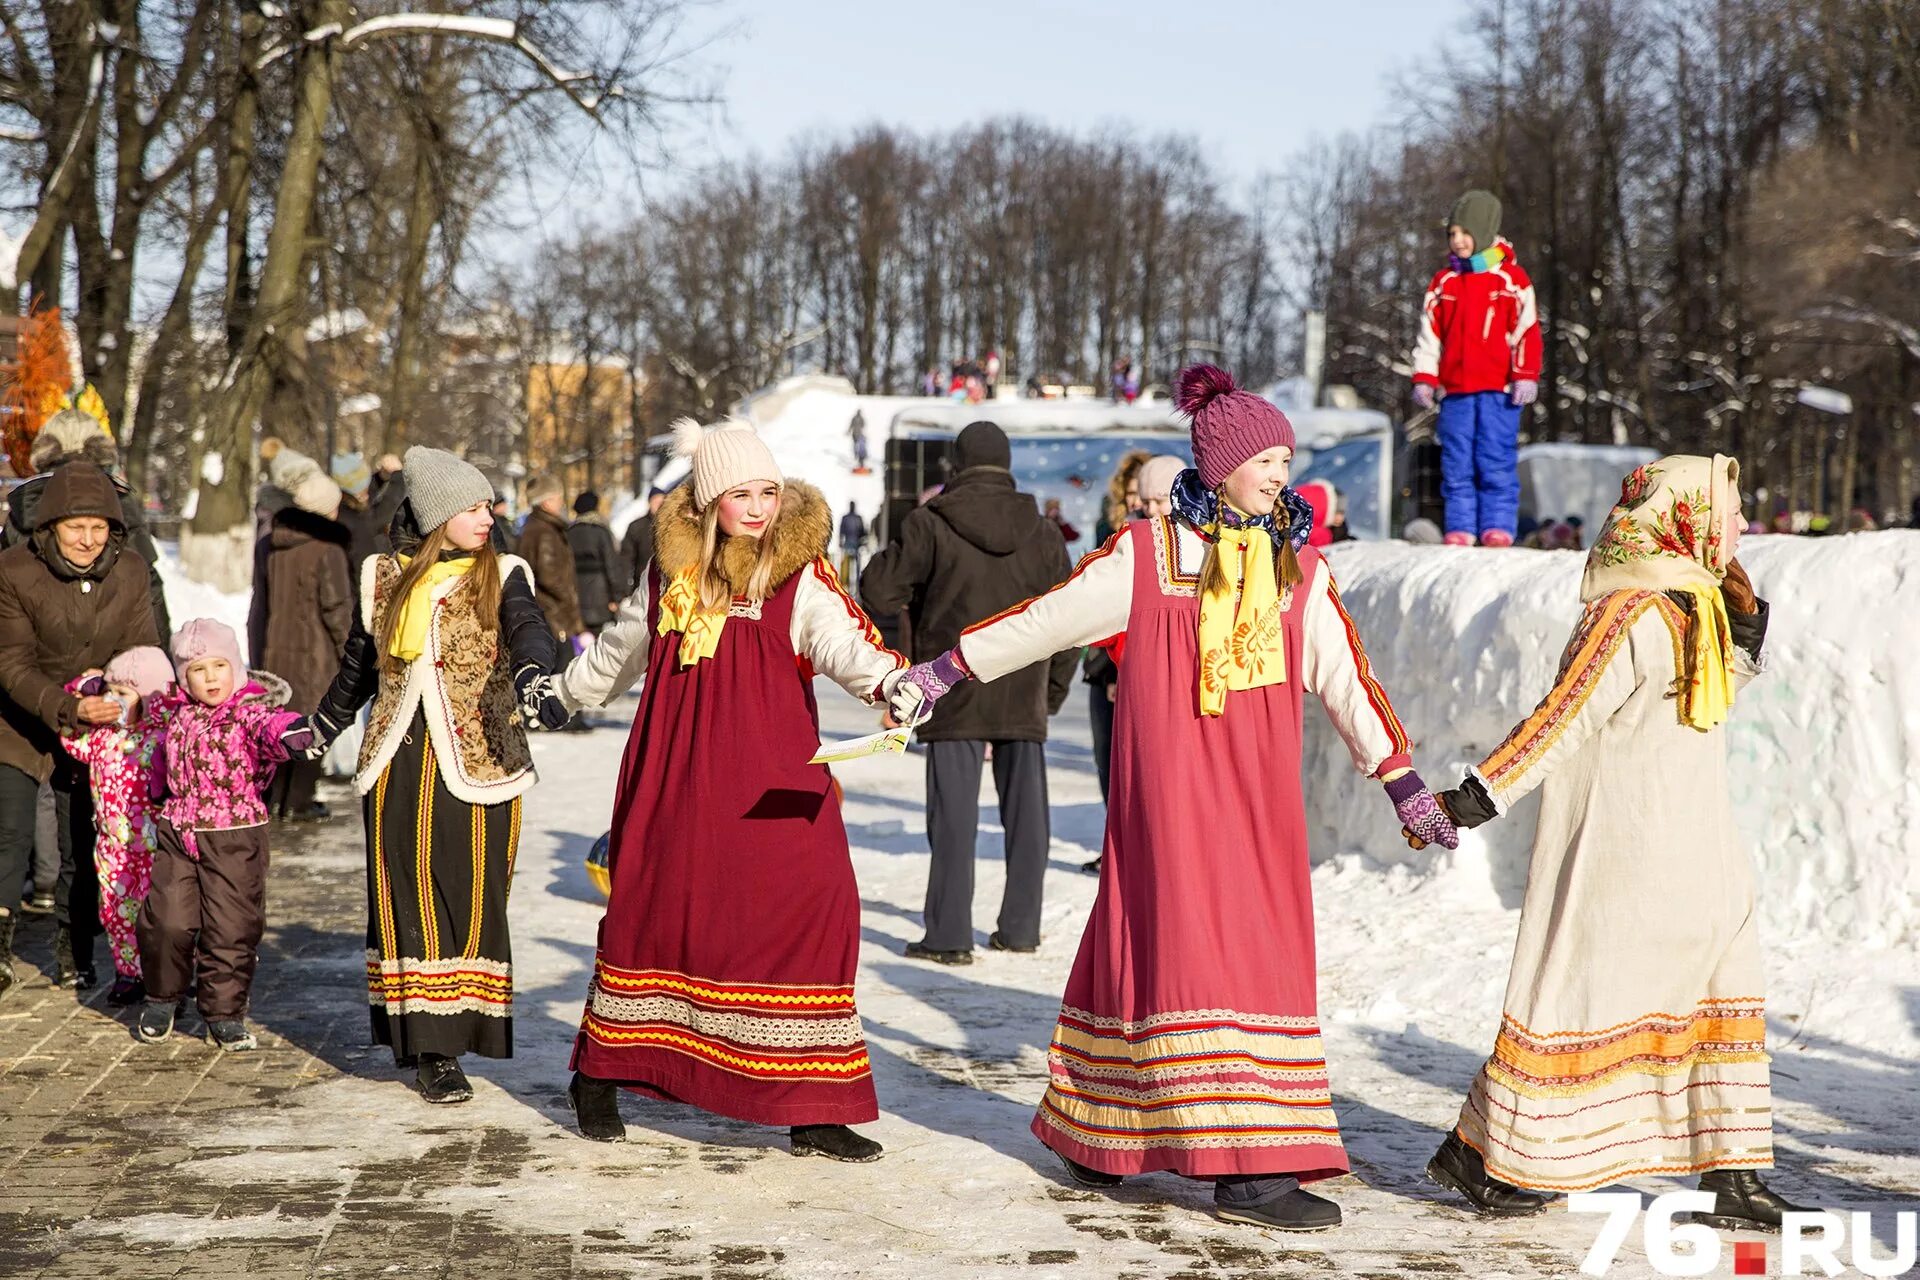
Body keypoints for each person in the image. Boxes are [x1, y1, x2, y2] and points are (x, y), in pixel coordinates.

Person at [885, 366, 1458, 1231]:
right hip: (1169, 803)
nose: (1278, 473)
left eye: (1284, 459)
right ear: (1219, 464)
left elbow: (1347, 682)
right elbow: (1045, 619)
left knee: (1187, 954)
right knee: (1180, 951)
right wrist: (950, 668)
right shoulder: (1145, 560)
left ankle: (1101, 1132)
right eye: (1263, 458)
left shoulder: (1298, 574)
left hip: (1256, 812)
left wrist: (1402, 782)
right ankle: (1246, 1170)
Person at [1416, 455, 1810, 1230]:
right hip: (1624, 845)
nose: (1739, 525)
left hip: (1697, 842)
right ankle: (1487, 1152)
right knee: (1583, 994)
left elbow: (1705, 695)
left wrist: (1746, 631)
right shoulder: (1626, 612)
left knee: (1724, 992)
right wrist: (1477, 794)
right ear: (1683, 517)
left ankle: (1734, 1172)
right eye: (1727, 511)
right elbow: (1564, 716)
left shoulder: (1696, 599)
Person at [540, 417, 907, 1158]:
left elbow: (840, 640)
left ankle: (812, 1102)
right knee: (656, 917)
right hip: (677, 778)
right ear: (709, 500)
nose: (759, 506)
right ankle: (602, 1073)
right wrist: (562, 694)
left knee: (815, 906)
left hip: (775, 780)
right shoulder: (668, 573)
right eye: (742, 492)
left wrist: (889, 682)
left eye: (769, 491)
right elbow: (619, 650)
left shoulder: (798, 572)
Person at [304, 446, 558, 1103]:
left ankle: (460, 1027)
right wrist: (321, 727)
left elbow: (528, 626)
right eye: (473, 506)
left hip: (481, 758)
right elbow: (360, 666)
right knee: (407, 898)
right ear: (437, 514)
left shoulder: (504, 570)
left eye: (488, 503)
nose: (488, 514)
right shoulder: (385, 577)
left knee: (473, 894)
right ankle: (431, 1050)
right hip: (398, 756)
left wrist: (534, 672)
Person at [859, 422, 1076, 963]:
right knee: (1028, 818)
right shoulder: (1045, 533)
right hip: (1021, 692)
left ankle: (949, 936)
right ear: (1007, 464)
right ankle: (1021, 928)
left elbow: (880, 589)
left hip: (951, 686)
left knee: (952, 819)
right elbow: (1072, 619)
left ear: (956, 466)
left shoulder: (931, 523)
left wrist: (901, 537)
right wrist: (1049, 693)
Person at [0, 462, 162, 995]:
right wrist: (70, 707)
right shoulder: (14, 571)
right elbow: (11, 664)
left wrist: (124, 695)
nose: (88, 540)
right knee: (10, 834)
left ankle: (78, 948)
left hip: (97, 726)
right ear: (50, 528)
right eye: (76, 527)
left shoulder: (132, 571)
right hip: (19, 718)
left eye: (99, 527)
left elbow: (141, 650)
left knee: (87, 838)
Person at [137, 620, 314, 1050]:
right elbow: (161, 762)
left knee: (231, 927)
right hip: (179, 831)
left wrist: (293, 733)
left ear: (235, 667)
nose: (211, 677)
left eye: (219, 665)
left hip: (235, 835)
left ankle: (223, 1012)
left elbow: (270, 728)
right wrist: (156, 790)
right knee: (167, 920)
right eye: (199, 669)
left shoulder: (247, 712)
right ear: (184, 678)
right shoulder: (179, 715)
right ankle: (163, 998)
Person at [1410, 189, 1543, 548]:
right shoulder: (1444, 283)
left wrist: (1525, 374)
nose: (1457, 241)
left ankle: (1497, 525)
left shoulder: (1511, 281)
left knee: (1495, 458)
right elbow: (1429, 337)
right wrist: (1425, 377)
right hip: (1455, 393)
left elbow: (1526, 331)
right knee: (1456, 462)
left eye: (1464, 233)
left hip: (1499, 392)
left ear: (1483, 232)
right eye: (1452, 234)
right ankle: (1461, 526)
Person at [60, 646, 172, 1007]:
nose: (114, 700)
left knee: (163, 914)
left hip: (157, 846)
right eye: (109, 692)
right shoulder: (99, 737)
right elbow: (68, 735)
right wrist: (86, 687)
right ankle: (129, 972)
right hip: (113, 847)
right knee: (116, 912)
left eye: (123, 694)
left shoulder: (161, 736)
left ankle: (170, 974)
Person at [249, 470, 352, 821]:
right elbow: (337, 609)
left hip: (276, 653)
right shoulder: (328, 551)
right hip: (316, 655)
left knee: (279, 725)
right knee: (315, 726)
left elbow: (259, 606)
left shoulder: (271, 544)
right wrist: (351, 654)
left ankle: (275, 798)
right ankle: (300, 800)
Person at [518, 475, 586, 649]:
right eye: (558, 498)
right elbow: (549, 575)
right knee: (560, 670)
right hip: (553, 615)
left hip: (549, 613)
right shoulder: (544, 531)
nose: (562, 503)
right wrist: (569, 596)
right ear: (546, 502)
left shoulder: (538, 527)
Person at [567, 490, 629, 636]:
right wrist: (617, 596)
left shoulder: (569, 532)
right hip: (600, 594)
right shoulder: (601, 531)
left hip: (576, 595)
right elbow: (612, 565)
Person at [331, 452, 384, 574]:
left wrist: (380, 478)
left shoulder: (338, 510)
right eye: (363, 489)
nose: (367, 492)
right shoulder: (354, 524)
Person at [620, 489, 666, 592]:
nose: (659, 505)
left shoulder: (672, 526)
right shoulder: (637, 527)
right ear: (649, 502)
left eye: (662, 502)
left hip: (667, 584)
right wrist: (625, 586)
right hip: (642, 584)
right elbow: (626, 558)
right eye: (656, 502)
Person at [837, 502, 867, 587]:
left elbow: (862, 531)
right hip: (852, 543)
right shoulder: (856, 518)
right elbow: (862, 531)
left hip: (852, 544)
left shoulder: (849, 518)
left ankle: (852, 582)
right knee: (849, 565)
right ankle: (850, 582)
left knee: (852, 565)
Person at [848, 409, 870, 473]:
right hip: (857, 434)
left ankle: (859, 457)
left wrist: (849, 431)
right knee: (859, 446)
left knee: (858, 446)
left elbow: (852, 425)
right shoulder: (860, 418)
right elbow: (863, 425)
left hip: (856, 434)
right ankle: (858, 456)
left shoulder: (855, 418)